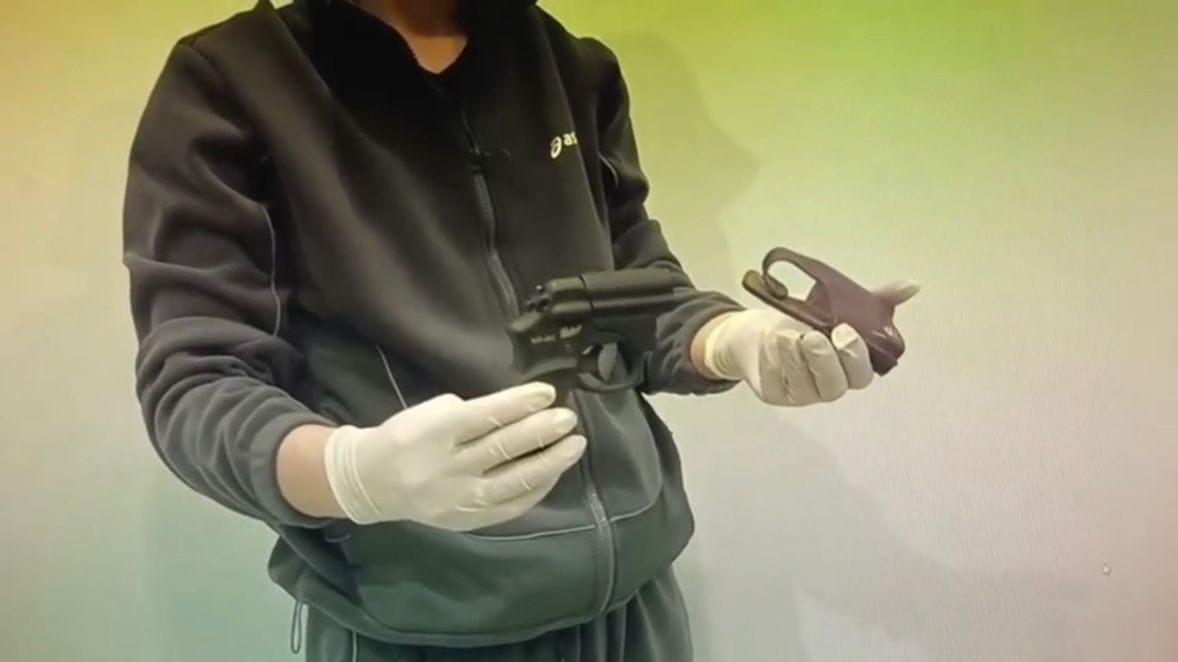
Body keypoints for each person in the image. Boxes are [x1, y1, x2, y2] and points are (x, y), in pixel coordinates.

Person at [122, 1, 919, 660]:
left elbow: (636, 291)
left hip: (636, 614)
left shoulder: (569, 67)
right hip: (421, 625)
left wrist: (734, 340)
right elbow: (196, 382)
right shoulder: (231, 86)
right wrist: (351, 473)